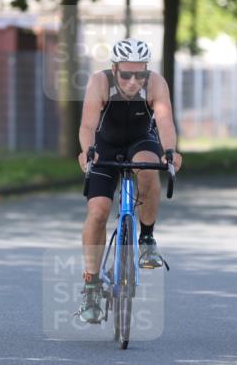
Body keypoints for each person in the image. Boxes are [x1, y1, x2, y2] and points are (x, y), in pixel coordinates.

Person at [74, 38, 182, 323]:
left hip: (140, 140)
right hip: (105, 145)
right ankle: (91, 284)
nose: (133, 81)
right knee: (97, 211)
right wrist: (87, 152)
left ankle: (146, 238)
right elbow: (87, 125)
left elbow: (165, 123)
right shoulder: (99, 83)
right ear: (114, 69)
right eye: (126, 74)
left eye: (140, 74)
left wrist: (170, 152)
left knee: (149, 168)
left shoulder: (156, 84)